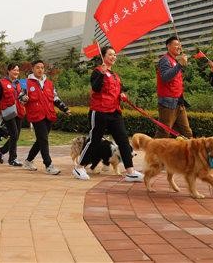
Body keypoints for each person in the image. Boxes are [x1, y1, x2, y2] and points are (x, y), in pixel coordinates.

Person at [73, 46, 144, 182]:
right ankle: (79, 167)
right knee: (95, 140)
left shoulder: (116, 76)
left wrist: (122, 95)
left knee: (123, 140)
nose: (113, 57)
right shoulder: (97, 71)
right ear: (103, 56)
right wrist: (101, 74)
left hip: (114, 112)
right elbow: (95, 87)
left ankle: (130, 171)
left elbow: (118, 91)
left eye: (115, 55)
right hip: (100, 111)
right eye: (110, 54)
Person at [21, 60, 70, 175]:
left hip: (49, 114)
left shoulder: (49, 83)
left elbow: (55, 98)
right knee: (44, 140)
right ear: (32, 68)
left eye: (42, 67)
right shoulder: (24, 82)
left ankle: (28, 161)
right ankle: (48, 165)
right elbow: (20, 96)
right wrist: (24, 98)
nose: (40, 70)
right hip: (36, 115)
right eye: (37, 67)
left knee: (41, 140)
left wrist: (65, 109)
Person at [156, 36, 193, 138]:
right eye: (176, 45)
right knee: (163, 133)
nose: (179, 47)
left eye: (180, 45)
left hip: (179, 102)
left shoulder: (175, 61)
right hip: (168, 103)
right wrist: (179, 65)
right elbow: (165, 77)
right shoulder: (165, 60)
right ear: (168, 46)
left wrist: (179, 64)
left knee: (186, 133)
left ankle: (189, 153)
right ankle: (154, 153)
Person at [0, 63, 26, 167]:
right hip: (8, 111)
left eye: (17, 70)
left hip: (19, 111)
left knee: (15, 136)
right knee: (14, 134)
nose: (16, 72)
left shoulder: (19, 83)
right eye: (14, 70)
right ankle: (12, 159)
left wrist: (24, 98)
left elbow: (21, 97)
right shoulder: (1, 82)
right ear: (8, 71)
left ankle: (2, 151)